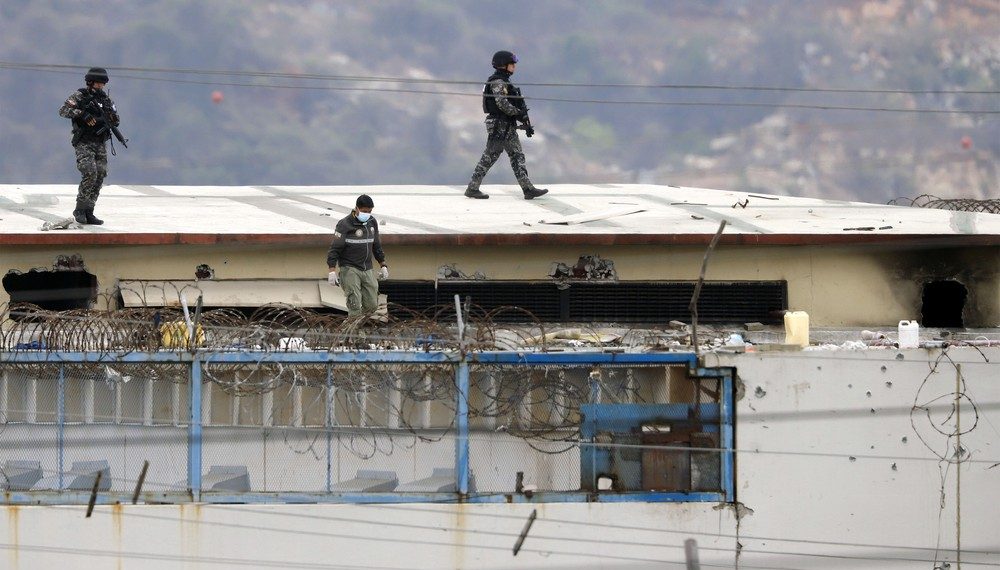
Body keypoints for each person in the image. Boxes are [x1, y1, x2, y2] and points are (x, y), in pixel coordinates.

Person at [464, 51, 548, 200]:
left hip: (505, 125)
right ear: (503, 65)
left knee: (514, 155)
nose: (514, 66)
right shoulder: (498, 82)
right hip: (500, 125)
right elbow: (502, 103)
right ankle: (473, 188)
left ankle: (527, 188)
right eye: (512, 64)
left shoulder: (503, 82)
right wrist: (518, 113)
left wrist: (522, 119)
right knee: (492, 156)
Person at [58, 67, 122, 225]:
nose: (100, 86)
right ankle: (80, 209)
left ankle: (89, 210)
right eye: (98, 82)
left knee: (100, 175)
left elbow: (116, 119)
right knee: (90, 173)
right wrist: (82, 114)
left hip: (100, 142)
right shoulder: (80, 96)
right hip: (84, 142)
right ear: (90, 82)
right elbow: (63, 110)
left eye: (103, 83)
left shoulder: (106, 100)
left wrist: (112, 119)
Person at [326, 194, 389, 316]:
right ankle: (354, 327)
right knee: (354, 304)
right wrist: (332, 271)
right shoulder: (344, 224)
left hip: (367, 268)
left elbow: (376, 245)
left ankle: (356, 324)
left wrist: (383, 265)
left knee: (372, 305)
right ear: (357, 208)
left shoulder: (372, 222)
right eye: (364, 211)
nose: (367, 214)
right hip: (350, 268)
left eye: (369, 211)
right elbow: (335, 249)